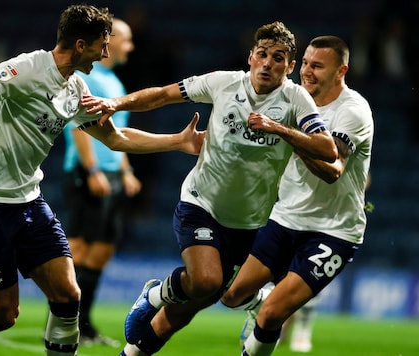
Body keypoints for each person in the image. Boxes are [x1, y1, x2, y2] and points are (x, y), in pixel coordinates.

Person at [0, 4, 205, 356]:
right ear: (80, 45)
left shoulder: (75, 88)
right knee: (2, 314)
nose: (105, 52)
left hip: (28, 200)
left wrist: (177, 141)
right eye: (101, 45)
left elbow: (116, 139)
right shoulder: (26, 69)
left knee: (68, 295)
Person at [81, 21, 338, 356]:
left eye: (278, 58)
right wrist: (116, 103)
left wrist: (279, 128)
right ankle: (155, 295)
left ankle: (134, 352)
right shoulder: (223, 83)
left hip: (250, 222)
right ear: (251, 57)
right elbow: (163, 94)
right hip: (201, 204)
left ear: (290, 67)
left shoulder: (296, 99)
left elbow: (327, 148)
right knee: (205, 281)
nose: (268, 63)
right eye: (262, 54)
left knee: (204, 299)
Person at [219, 35, 374, 356]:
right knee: (230, 296)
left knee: (272, 314)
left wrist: (284, 131)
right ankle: (262, 301)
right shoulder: (290, 99)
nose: (307, 71)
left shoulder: (352, 110)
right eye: (305, 63)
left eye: (318, 66)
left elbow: (333, 170)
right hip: (285, 218)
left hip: (334, 230)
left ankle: (269, 315)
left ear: (341, 71)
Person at [62, 18, 139, 347]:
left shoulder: (114, 82)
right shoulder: (85, 78)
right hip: (88, 172)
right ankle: (65, 323)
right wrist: (92, 170)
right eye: (126, 40)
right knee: (80, 247)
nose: (129, 46)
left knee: (103, 249)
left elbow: (115, 135)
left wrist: (125, 170)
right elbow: (76, 127)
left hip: (112, 175)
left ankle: (85, 324)